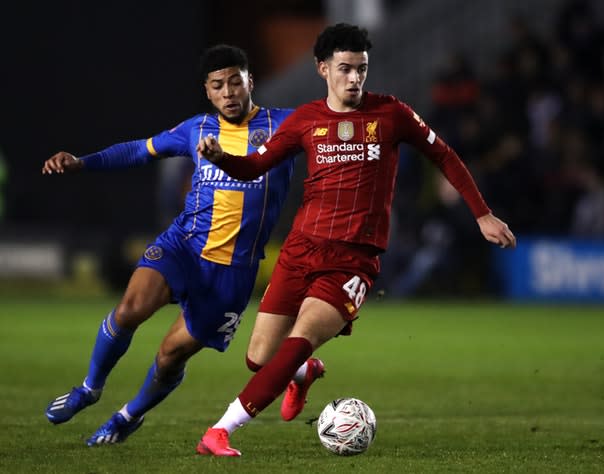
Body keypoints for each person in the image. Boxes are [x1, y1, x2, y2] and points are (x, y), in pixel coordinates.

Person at [194, 23, 517, 457]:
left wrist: (482, 213)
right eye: (345, 69)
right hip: (301, 249)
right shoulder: (306, 120)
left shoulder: (393, 114)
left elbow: (443, 153)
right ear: (322, 69)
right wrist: (222, 159)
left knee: (296, 342)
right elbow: (255, 166)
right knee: (259, 356)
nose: (354, 79)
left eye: (361, 69)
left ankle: (219, 431)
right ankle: (303, 374)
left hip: (353, 260)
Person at [41, 44, 321, 446]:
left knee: (170, 356)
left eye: (235, 82)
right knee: (129, 309)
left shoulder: (286, 125)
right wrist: (82, 161)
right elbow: (140, 149)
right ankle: (89, 388)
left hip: (232, 272)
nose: (228, 92)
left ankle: (128, 416)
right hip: (183, 246)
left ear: (250, 82)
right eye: (218, 85)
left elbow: (331, 127)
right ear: (207, 92)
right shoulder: (197, 129)